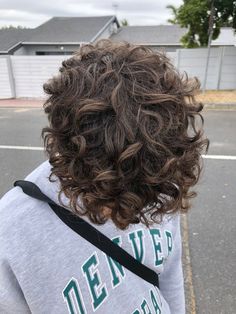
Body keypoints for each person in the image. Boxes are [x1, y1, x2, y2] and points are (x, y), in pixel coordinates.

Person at [0, 40, 208, 314]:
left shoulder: (157, 177)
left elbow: (169, 272)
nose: (124, 219)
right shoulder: (10, 235)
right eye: (108, 198)